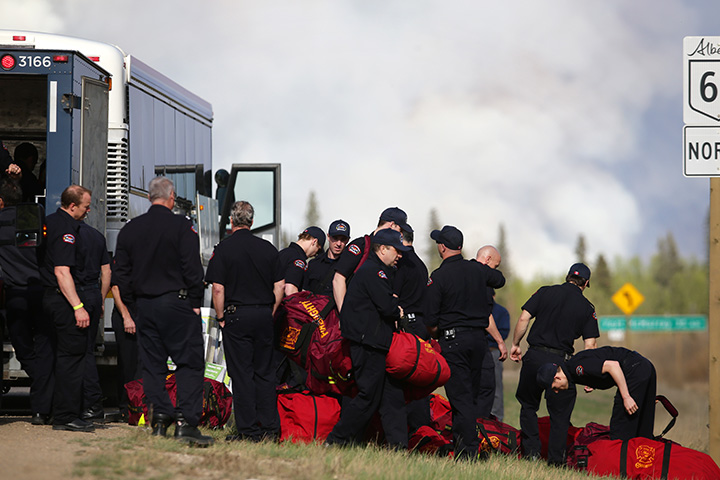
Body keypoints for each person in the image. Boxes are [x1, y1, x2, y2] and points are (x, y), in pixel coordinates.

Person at [112, 176, 212, 445]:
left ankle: (160, 419)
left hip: (144, 305)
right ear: (171, 197)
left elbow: (120, 273)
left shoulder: (130, 230)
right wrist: (194, 302)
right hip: (176, 303)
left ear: (148, 198)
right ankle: (185, 423)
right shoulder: (181, 226)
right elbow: (192, 269)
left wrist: (135, 299)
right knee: (189, 362)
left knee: (152, 366)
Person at [424, 226, 506, 461]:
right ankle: (467, 445)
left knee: (460, 399)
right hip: (479, 341)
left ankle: (468, 452)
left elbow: (430, 319)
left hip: (453, 341)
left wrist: (437, 331)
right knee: (471, 397)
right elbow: (499, 279)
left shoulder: (439, 277)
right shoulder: (477, 269)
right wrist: (481, 271)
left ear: (442, 247)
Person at [205, 201, 284, 442]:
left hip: (236, 315)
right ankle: (270, 430)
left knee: (242, 375)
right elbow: (279, 285)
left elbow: (218, 288)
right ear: (252, 221)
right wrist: (271, 310)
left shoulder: (223, 249)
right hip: (262, 315)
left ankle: (249, 431)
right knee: (265, 374)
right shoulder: (268, 249)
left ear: (231, 221)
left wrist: (220, 318)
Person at [326, 229, 410, 449]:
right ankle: (337, 439)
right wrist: (397, 310)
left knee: (390, 397)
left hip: (376, 343)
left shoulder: (377, 271)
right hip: (368, 344)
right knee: (367, 397)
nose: (399, 255)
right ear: (382, 249)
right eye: (396, 250)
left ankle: (398, 446)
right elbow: (386, 306)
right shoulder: (374, 272)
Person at [510, 262, 599, 466]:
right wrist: (589, 374)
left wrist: (515, 344)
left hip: (534, 357)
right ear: (586, 283)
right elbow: (590, 344)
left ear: (568, 277)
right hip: (561, 365)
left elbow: (524, 318)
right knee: (560, 414)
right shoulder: (587, 308)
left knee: (528, 405)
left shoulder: (545, 292)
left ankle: (531, 453)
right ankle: (555, 461)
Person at [0, 179, 54, 425]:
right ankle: (42, 407)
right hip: (41, 292)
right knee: (44, 347)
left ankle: (44, 385)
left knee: (23, 349)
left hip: (16, 296)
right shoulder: (34, 218)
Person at [41, 185, 94, 432]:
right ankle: (66, 416)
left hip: (47, 299)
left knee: (51, 356)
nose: (88, 210)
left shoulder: (50, 221)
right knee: (72, 357)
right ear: (73, 206)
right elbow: (62, 271)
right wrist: (78, 306)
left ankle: (47, 410)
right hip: (62, 301)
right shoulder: (66, 229)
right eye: (86, 206)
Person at [537, 346, 657, 441]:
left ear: (557, 378)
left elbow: (613, 366)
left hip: (634, 370)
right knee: (643, 430)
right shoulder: (573, 368)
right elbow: (598, 361)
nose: (556, 391)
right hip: (644, 367)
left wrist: (626, 397)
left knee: (620, 430)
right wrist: (594, 381)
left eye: (554, 388)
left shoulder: (576, 368)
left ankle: (619, 469)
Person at [332, 207, 411, 312]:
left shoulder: (393, 254)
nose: (401, 234)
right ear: (392, 225)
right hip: (353, 314)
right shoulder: (362, 245)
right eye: (400, 230)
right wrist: (344, 314)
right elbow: (338, 279)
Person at [74, 220, 111, 422]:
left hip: (76, 294)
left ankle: (88, 402)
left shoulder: (70, 235)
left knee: (77, 352)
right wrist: (102, 298)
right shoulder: (97, 236)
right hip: (93, 294)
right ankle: (93, 402)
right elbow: (107, 272)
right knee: (88, 349)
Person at [110, 284, 140, 422]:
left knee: (142, 366)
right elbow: (115, 288)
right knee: (127, 364)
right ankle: (126, 409)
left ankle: (140, 407)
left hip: (145, 316)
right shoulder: (123, 263)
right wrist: (126, 316)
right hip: (126, 316)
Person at [305, 219, 350, 296]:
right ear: (328, 237)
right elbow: (304, 292)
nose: (339, 243)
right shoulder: (314, 264)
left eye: (343, 240)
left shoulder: (350, 265)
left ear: (348, 240)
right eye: (335, 238)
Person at [278, 226, 325, 296]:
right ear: (314, 242)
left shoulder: (283, 253)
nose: (315, 254)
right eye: (318, 250)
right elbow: (290, 291)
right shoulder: (298, 260)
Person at [488, 291, 510, 421]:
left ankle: (497, 421)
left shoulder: (501, 312)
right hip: (478, 350)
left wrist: (489, 336)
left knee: (496, 388)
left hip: (494, 351)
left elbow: (503, 332)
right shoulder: (476, 308)